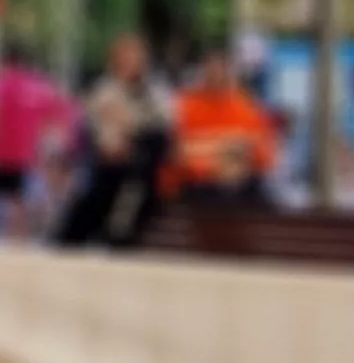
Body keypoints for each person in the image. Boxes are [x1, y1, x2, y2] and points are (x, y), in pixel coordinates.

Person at [55, 34, 173, 250]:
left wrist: (132, 132)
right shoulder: (104, 90)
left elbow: (162, 125)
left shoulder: (154, 91)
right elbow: (99, 129)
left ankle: (118, 236)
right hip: (108, 164)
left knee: (139, 179)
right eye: (125, 56)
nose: (131, 62)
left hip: (142, 165)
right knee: (96, 199)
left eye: (135, 57)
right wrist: (115, 142)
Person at [0, 44, 67, 243]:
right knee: (18, 199)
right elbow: (55, 119)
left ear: (4, 61)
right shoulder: (38, 87)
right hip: (23, 154)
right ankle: (17, 243)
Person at [172, 49, 278, 206]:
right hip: (200, 185)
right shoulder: (186, 105)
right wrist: (224, 152)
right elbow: (180, 152)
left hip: (241, 184)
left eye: (221, 69)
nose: (216, 75)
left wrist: (237, 155)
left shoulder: (246, 107)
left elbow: (263, 153)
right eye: (211, 69)